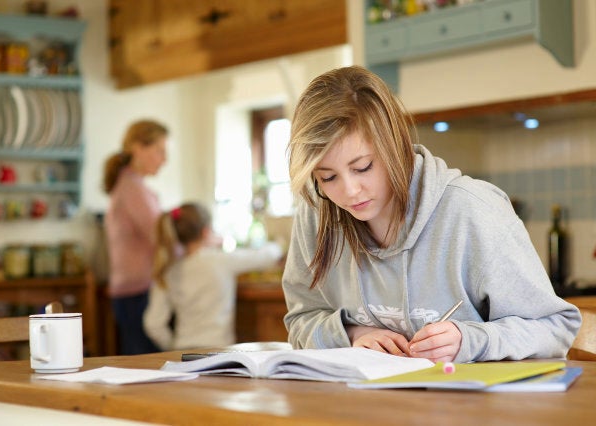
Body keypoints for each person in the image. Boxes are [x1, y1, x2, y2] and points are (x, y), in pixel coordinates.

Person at [282, 65, 581, 364]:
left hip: (472, 406)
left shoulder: (473, 210)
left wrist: (469, 340)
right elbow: (301, 319)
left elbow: (555, 329)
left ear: (394, 146)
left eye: (362, 167)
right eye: (327, 177)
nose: (349, 192)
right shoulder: (318, 215)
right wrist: (351, 334)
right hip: (364, 404)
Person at [143, 202, 283, 350]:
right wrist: (278, 244)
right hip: (218, 351)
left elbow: (153, 324)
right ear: (206, 231)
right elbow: (265, 256)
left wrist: (172, 347)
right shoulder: (220, 260)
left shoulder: (168, 272)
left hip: (181, 352)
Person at [104, 119, 168, 355]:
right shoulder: (132, 189)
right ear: (137, 148)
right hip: (137, 294)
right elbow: (162, 237)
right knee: (146, 372)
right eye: (159, 151)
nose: (164, 159)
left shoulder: (130, 185)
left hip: (131, 292)